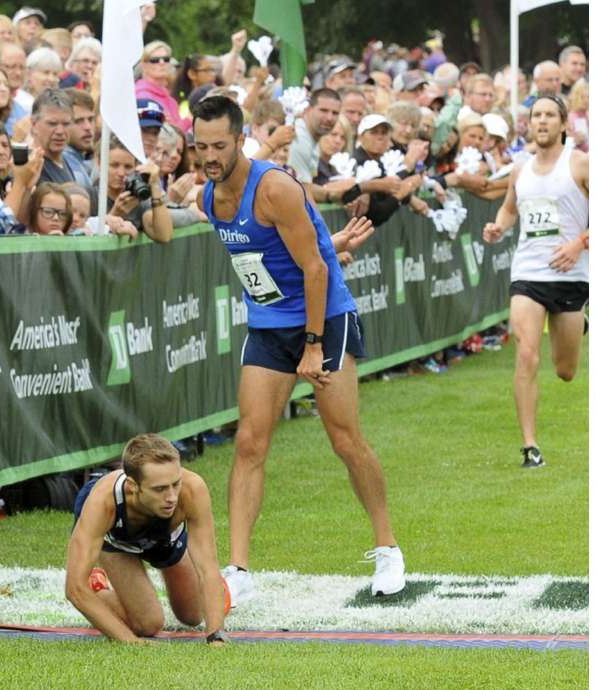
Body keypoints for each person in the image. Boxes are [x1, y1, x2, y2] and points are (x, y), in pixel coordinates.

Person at [190, 95, 403, 605]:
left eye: (219, 146)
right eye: (201, 147)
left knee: (345, 440)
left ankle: (388, 548)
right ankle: (239, 569)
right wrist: (334, 243)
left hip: (323, 319)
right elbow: (274, 253)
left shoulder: (274, 188)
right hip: (268, 325)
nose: (210, 156)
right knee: (249, 443)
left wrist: (312, 344)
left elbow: (315, 269)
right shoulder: (208, 197)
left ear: (241, 140)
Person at [482, 95, 588, 468]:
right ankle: (530, 446)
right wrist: (499, 227)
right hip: (528, 272)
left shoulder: (580, 164)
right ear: (529, 123)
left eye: (549, 115)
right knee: (526, 353)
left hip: (571, 274)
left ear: (563, 123)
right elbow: (509, 208)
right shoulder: (519, 169)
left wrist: (578, 244)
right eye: (536, 115)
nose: (542, 121)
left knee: (565, 370)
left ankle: (580, 322)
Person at [67, 433, 230, 644]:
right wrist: (133, 642)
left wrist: (216, 637)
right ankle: (98, 588)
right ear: (133, 485)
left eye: (175, 484)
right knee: (147, 624)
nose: (171, 497)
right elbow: (75, 588)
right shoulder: (101, 503)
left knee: (193, 615)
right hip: (119, 540)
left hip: (164, 536)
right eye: (159, 489)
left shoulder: (192, 489)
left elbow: (208, 568)